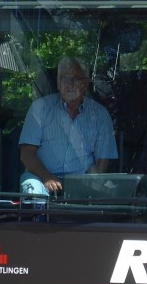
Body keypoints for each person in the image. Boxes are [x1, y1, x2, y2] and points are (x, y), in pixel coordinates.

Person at [19, 57, 117, 196]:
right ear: (58, 83)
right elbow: (26, 154)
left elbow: (103, 159)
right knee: (32, 192)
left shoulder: (100, 114)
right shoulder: (40, 108)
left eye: (75, 79)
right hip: (40, 177)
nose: (69, 84)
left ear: (86, 83)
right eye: (64, 79)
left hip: (81, 180)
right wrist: (46, 177)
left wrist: (94, 183)